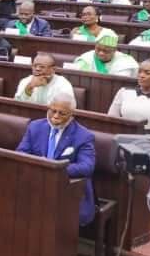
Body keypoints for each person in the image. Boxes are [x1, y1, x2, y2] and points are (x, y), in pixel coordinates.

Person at [16, 90, 96, 226]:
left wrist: (54, 168)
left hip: (66, 190)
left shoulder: (84, 136)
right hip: (36, 184)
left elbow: (87, 166)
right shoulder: (35, 127)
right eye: (53, 111)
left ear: (72, 115)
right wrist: (39, 165)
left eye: (62, 113)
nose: (55, 116)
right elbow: (21, 152)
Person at [72, 33, 139, 76]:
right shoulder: (87, 58)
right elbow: (79, 75)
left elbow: (119, 82)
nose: (101, 53)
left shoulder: (125, 62)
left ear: (114, 50)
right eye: (98, 49)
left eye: (106, 51)